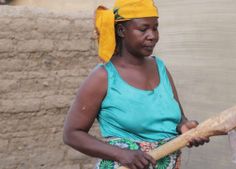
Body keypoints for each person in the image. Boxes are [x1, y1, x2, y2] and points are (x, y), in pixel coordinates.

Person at [63, 0, 209, 168]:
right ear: (121, 30)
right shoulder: (103, 76)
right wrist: (121, 154)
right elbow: (72, 134)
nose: (152, 35)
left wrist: (185, 127)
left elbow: (178, 119)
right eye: (143, 29)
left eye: (155, 27)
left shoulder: (159, 67)